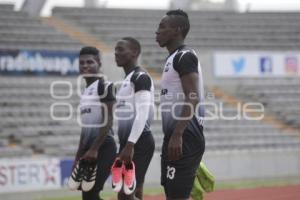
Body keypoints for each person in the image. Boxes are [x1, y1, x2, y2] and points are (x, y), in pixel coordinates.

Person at [155, 9, 206, 200]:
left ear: (177, 30)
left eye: (162, 27)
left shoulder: (184, 56)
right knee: (173, 194)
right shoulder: (173, 58)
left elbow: (193, 96)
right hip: (175, 137)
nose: (156, 31)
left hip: (185, 137)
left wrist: (177, 135)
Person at [69, 46, 117, 200]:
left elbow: (108, 120)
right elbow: (85, 129)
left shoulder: (105, 86)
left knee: (91, 192)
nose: (85, 66)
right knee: (87, 194)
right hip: (88, 150)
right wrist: (78, 156)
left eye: (90, 62)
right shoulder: (86, 92)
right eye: (81, 63)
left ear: (99, 64)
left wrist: (94, 149)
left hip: (104, 147)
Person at [113, 37, 155, 200]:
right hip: (128, 143)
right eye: (116, 49)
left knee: (126, 194)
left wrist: (130, 145)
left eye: (121, 49)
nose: (116, 53)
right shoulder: (127, 80)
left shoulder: (140, 77)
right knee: (131, 193)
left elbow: (143, 113)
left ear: (135, 52)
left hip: (139, 142)